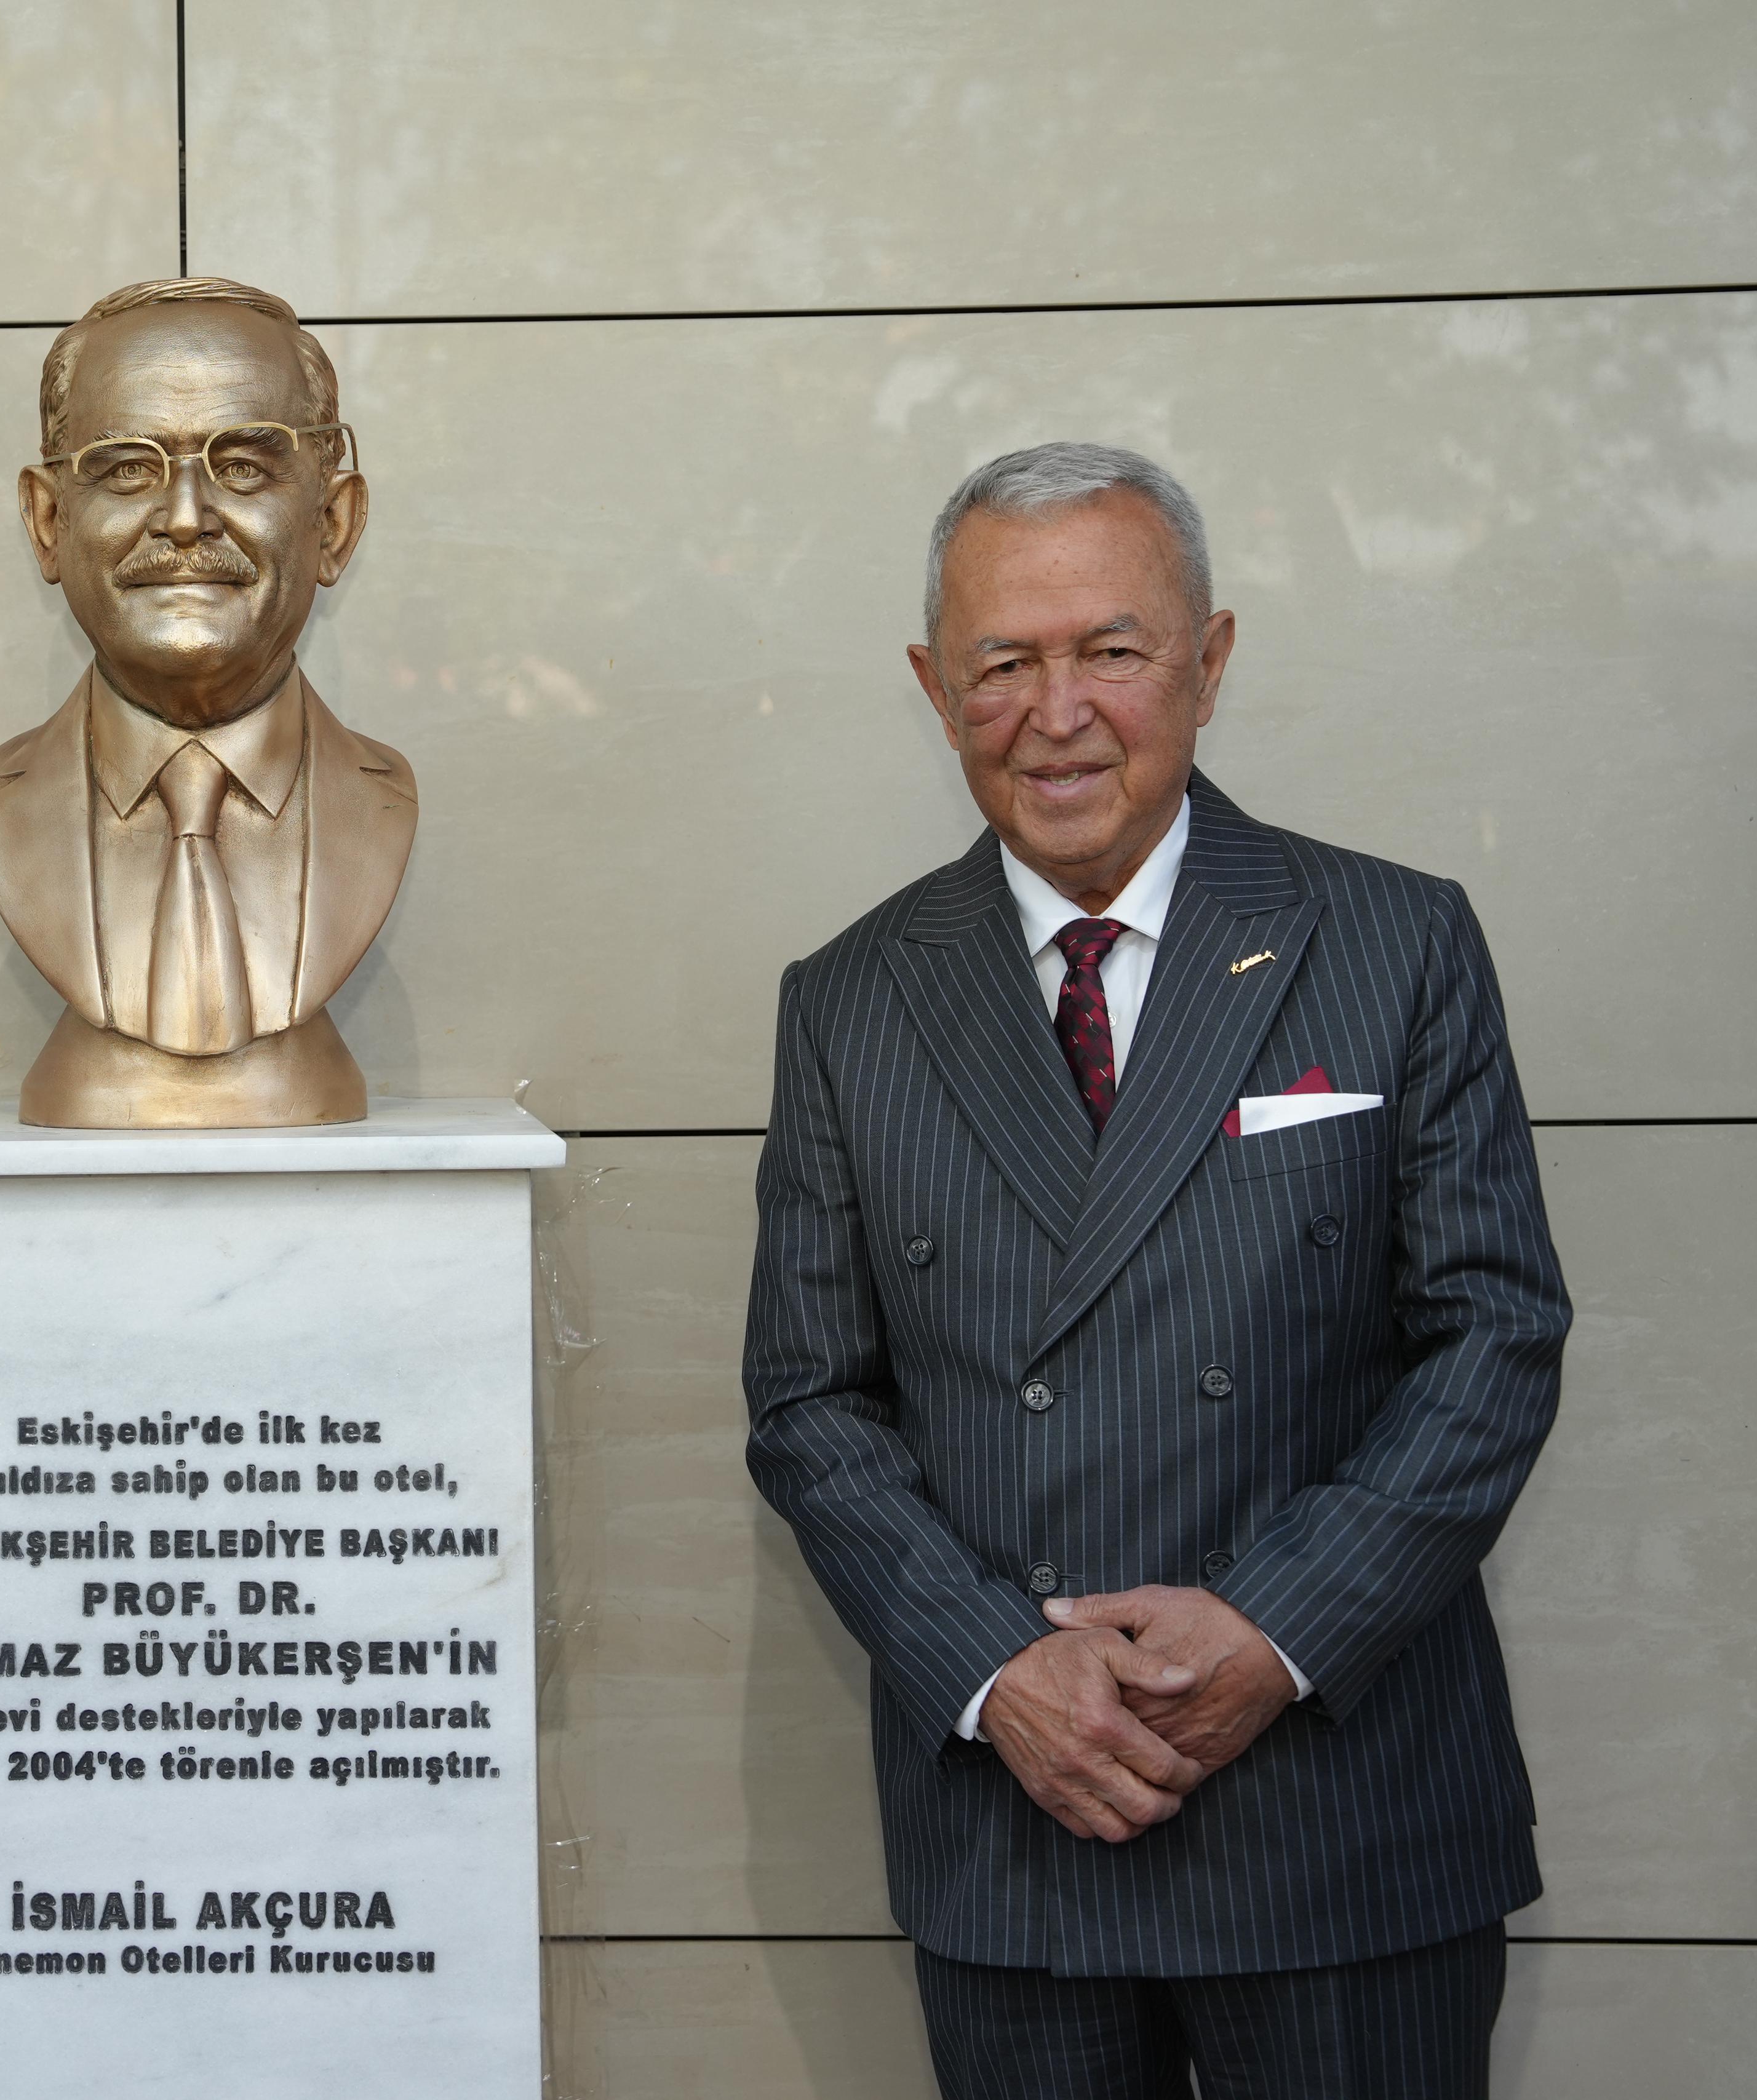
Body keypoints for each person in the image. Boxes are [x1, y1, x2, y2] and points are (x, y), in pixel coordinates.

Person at [743, 442, 1568, 2098]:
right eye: (1003, 661)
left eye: (1112, 650)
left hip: (1344, 1812)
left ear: (1210, 660)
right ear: (931, 684)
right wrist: (996, 1667)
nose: (1059, 710)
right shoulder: (851, 999)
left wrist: (1275, 1626)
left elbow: (1494, 1334)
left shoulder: (1393, 942)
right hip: (1022, 1824)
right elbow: (811, 1402)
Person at [0, 276, 416, 1127]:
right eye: (128, 468)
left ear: (333, 524)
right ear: (46, 523)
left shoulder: (383, 799)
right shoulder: (7, 803)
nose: (184, 519)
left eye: (245, 466)